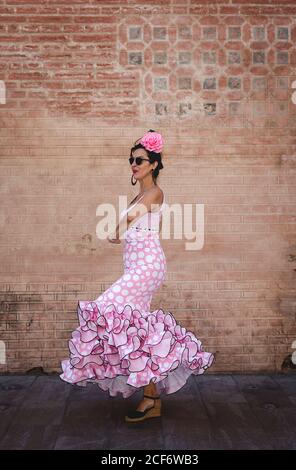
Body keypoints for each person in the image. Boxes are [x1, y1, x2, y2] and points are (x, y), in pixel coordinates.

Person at [59, 130, 215, 423]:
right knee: (138, 329)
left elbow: (132, 218)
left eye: (140, 160)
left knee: (105, 308)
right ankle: (151, 397)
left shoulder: (155, 192)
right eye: (131, 160)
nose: (134, 164)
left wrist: (116, 230)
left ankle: (164, 373)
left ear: (153, 164)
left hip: (148, 266)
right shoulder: (139, 193)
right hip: (135, 266)